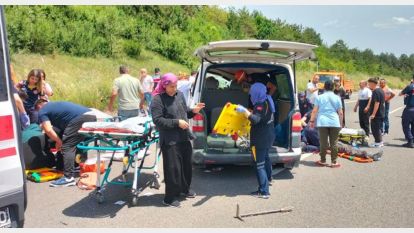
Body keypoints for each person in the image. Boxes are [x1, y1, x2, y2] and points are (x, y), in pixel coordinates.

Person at [150, 73, 205, 208]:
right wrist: (176, 122)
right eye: (171, 87)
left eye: (175, 86)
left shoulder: (179, 94)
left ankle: (184, 190)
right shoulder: (157, 99)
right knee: (173, 169)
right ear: (164, 85)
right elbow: (157, 120)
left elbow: (184, 111)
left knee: (186, 166)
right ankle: (170, 198)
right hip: (170, 140)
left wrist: (194, 111)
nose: (174, 89)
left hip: (184, 137)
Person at [35, 99, 97, 187]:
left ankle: (68, 178)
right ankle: (76, 167)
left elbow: (48, 129)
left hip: (80, 119)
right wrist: (59, 139)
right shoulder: (55, 106)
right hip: (92, 115)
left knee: (67, 146)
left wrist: (59, 142)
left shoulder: (42, 110)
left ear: (39, 106)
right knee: (74, 141)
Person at [236, 82, 275, 199]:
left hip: (260, 138)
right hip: (269, 136)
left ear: (256, 93)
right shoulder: (268, 100)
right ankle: (269, 178)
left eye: (252, 92)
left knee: (259, 164)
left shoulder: (260, 105)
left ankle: (264, 191)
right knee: (266, 158)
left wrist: (245, 112)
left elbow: (256, 120)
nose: (250, 94)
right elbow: (263, 117)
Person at [309, 80, 343, 168]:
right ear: (333, 87)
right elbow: (340, 112)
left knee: (323, 142)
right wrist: (341, 123)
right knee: (334, 143)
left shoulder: (319, 97)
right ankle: (334, 162)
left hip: (322, 121)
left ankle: (323, 160)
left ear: (324, 87)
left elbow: (314, 111)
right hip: (334, 122)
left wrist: (312, 121)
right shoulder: (337, 97)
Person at [367, 77, 385, 148]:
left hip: (377, 114)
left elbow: (377, 103)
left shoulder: (376, 91)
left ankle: (378, 142)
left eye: (369, 84)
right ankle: (378, 141)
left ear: (373, 83)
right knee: (377, 128)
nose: (369, 85)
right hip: (380, 112)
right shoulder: (380, 90)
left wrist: (373, 114)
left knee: (375, 128)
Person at [399, 75, 414, 148]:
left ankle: (410, 141)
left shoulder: (410, 86)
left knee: (405, 125)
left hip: (410, 109)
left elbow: (400, 94)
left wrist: (406, 94)